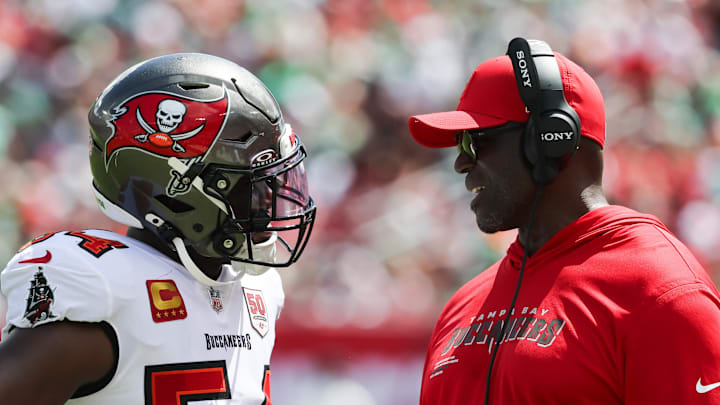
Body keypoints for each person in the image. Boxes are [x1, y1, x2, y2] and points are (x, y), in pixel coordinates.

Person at [407, 37, 720, 405]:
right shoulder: (461, 305)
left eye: (475, 142)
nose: (461, 163)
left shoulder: (660, 294)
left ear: (550, 139)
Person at [0, 53, 316, 404]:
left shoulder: (257, 288)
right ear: (177, 187)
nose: (268, 203)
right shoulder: (109, 288)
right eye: (250, 184)